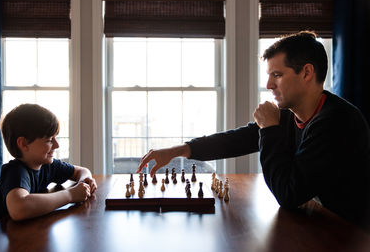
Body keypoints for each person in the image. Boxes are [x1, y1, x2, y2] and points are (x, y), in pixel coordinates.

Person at [136, 31, 370, 229]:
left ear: (307, 73)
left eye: (277, 75)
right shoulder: (291, 115)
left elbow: (288, 194)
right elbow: (236, 140)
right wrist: (177, 150)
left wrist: (269, 129)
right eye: (269, 76)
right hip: (318, 223)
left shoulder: (336, 122)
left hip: (349, 235)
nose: (269, 85)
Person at [0, 104, 97, 233]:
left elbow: (82, 171)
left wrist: (84, 182)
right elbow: (19, 209)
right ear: (23, 144)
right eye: (49, 140)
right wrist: (70, 195)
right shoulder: (15, 171)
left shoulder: (47, 165)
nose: (56, 145)